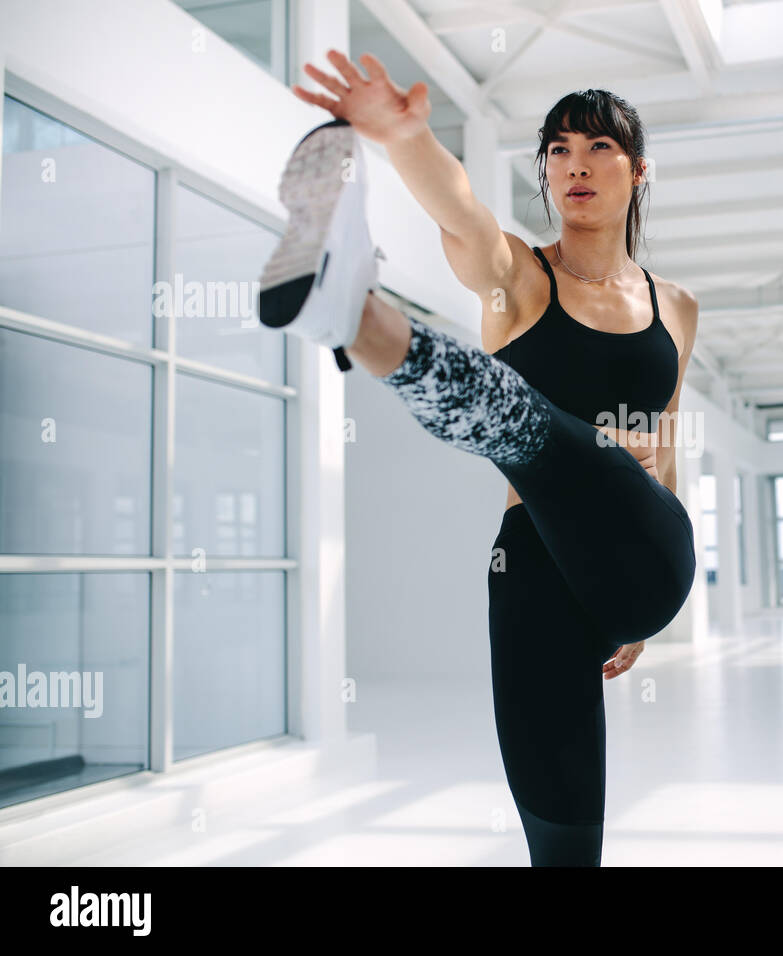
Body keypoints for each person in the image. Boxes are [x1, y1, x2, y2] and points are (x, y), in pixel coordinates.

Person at [257, 49, 699, 866]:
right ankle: (343, 304)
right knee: (563, 841)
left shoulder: (676, 307)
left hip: (644, 549)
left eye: (599, 147)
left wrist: (636, 533)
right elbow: (462, 214)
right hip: (533, 569)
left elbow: (662, 442)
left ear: (638, 172)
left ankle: (354, 309)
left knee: (537, 428)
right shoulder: (521, 280)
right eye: (559, 149)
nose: (575, 164)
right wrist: (402, 135)